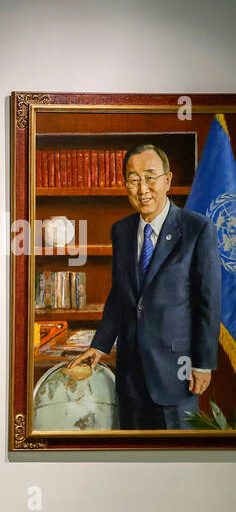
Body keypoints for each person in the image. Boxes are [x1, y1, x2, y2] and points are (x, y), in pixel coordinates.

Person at [69, 143, 221, 429]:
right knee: (133, 462)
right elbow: (120, 295)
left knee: (176, 462)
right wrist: (99, 345)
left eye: (150, 177)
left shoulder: (197, 229)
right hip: (130, 375)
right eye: (134, 179)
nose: (143, 188)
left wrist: (203, 364)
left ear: (168, 180)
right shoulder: (122, 231)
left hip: (178, 371)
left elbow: (208, 302)